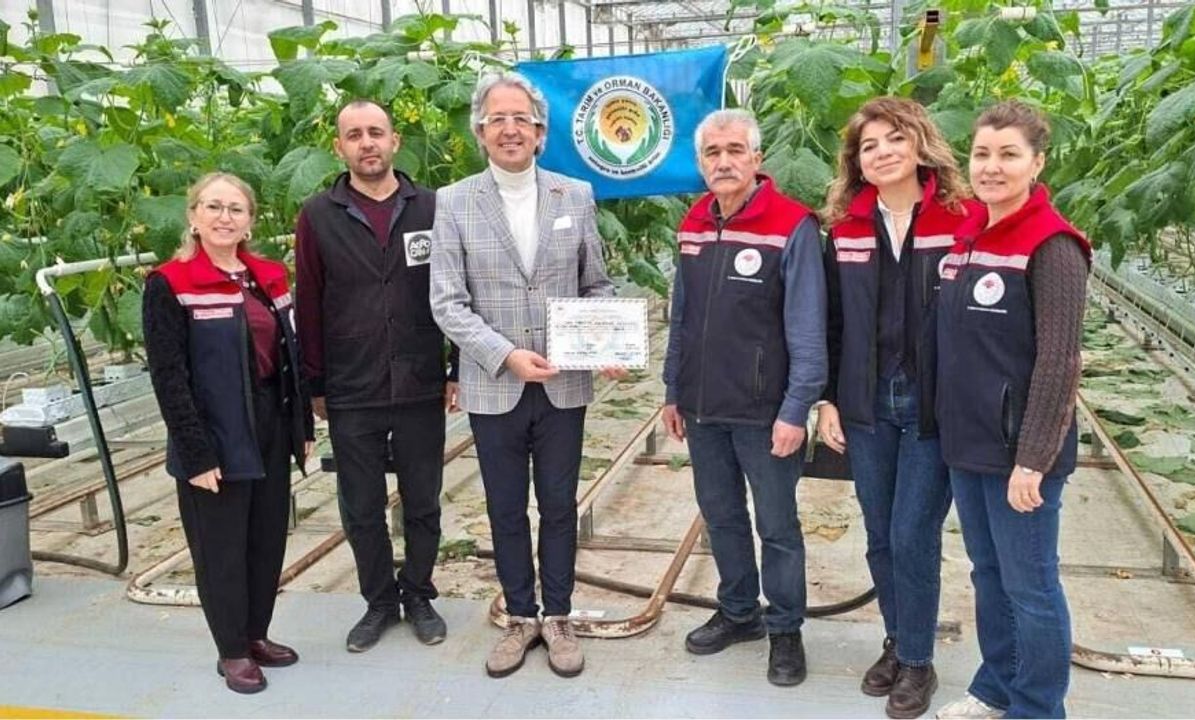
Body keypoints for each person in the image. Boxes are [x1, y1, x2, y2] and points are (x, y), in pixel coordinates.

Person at [430, 72, 619, 679]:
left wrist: (604, 338)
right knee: (505, 506)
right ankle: (519, 616)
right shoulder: (454, 201)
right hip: (495, 383)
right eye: (497, 119)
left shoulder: (575, 194)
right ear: (480, 132)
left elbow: (596, 284)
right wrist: (506, 354)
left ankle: (557, 616)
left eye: (522, 119)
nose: (510, 129)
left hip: (563, 383)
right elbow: (447, 302)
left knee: (559, 504)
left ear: (540, 133)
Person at [814, 97, 977, 718]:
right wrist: (828, 400)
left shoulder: (961, 221)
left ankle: (918, 661)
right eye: (868, 145)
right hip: (867, 403)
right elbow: (832, 324)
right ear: (856, 161)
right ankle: (898, 641)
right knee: (880, 534)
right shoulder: (846, 230)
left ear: (920, 145)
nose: (881, 152)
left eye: (894, 139)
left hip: (935, 406)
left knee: (913, 533)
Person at [933, 101, 1090, 720]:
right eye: (981, 154)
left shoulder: (1052, 245)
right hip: (968, 441)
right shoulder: (968, 236)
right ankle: (997, 687)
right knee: (988, 573)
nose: (991, 167)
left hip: (1020, 453)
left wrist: (1034, 459)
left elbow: (1059, 362)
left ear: (1037, 163)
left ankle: (1038, 707)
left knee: (1031, 585)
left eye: (1008, 155)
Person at [661, 108, 826, 687]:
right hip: (703, 407)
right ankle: (738, 612)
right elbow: (681, 316)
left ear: (757, 158)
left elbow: (808, 328)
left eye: (735, 150)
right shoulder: (694, 223)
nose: (724, 161)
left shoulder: (791, 225)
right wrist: (673, 389)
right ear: (701, 162)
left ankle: (785, 629)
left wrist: (796, 409)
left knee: (777, 526)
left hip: (765, 413)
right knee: (722, 516)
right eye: (713, 152)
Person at [294, 99, 458, 654]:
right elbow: (308, 300)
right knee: (361, 506)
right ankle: (379, 602)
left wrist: (456, 367)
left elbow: (458, 289)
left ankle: (419, 595)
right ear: (339, 147)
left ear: (394, 141)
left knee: (423, 500)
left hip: (419, 379)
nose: (367, 143)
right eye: (354, 135)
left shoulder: (432, 207)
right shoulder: (319, 215)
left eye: (376, 132)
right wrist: (315, 383)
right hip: (351, 384)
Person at [143, 172, 312, 694]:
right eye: (213, 206)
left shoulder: (269, 276)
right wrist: (195, 453)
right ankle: (232, 650)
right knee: (221, 547)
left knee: (266, 538)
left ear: (250, 221)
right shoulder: (171, 283)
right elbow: (168, 377)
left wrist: (301, 426)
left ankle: (256, 634)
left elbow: (291, 354)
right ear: (193, 216)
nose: (224, 217)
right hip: (215, 432)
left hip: (271, 423)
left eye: (236, 209)